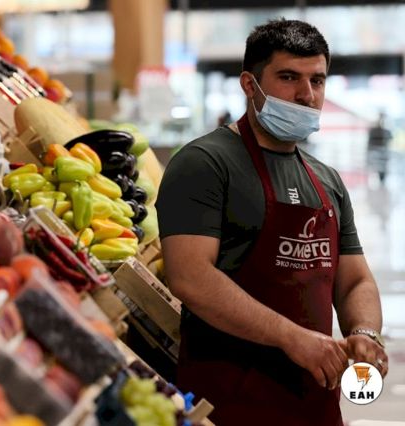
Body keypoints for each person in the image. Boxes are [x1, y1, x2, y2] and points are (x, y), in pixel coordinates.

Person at [156, 19, 387, 425]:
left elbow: (354, 281)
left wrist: (364, 332)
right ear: (249, 84)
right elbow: (190, 277)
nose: (306, 94)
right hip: (229, 403)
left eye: (317, 80)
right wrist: (291, 338)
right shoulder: (204, 164)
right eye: (289, 77)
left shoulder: (326, 181)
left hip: (315, 406)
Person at [367, 112, 392, 184]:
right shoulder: (374, 130)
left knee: (381, 168)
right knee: (376, 167)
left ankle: (381, 181)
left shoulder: (386, 131)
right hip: (376, 153)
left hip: (382, 153)